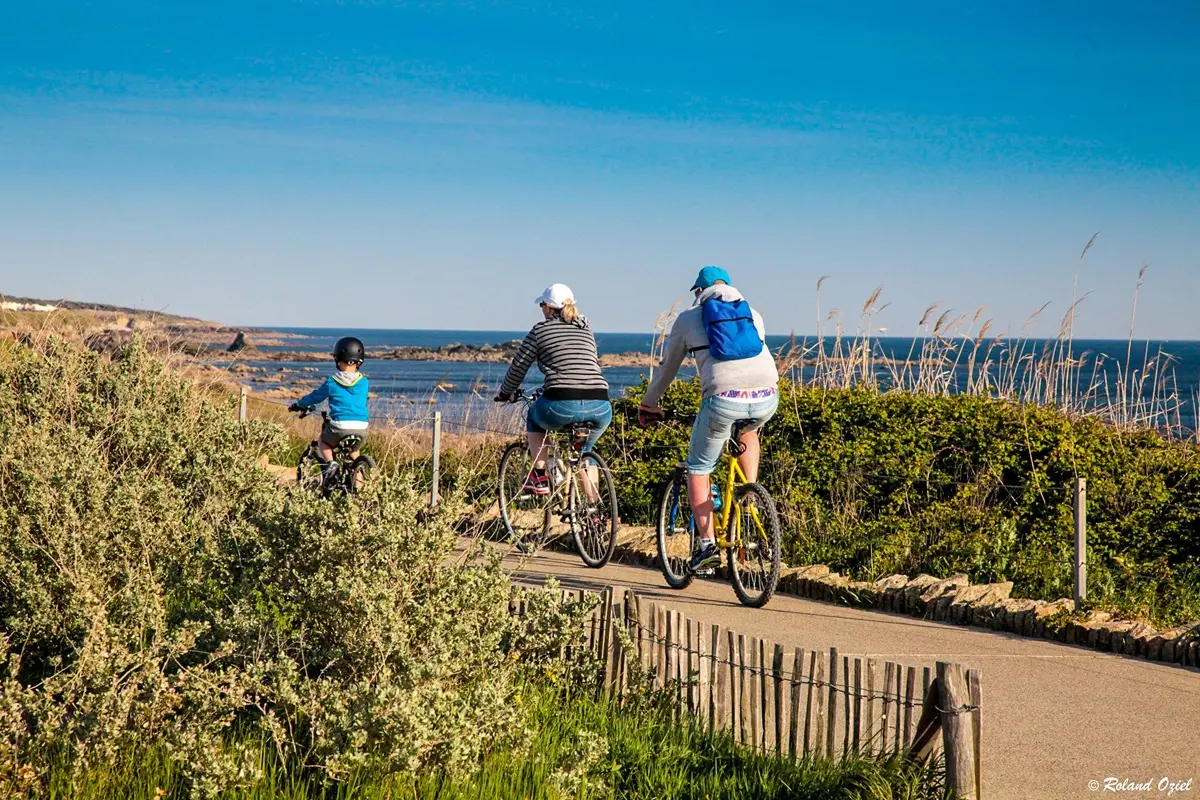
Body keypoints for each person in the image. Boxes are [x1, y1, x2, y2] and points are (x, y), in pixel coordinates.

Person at [637, 266, 779, 572]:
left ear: (698, 291)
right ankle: (749, 493)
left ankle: (707, 545)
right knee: (748, 429)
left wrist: (648, 404)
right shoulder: (752, 313)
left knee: (698, 468)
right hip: (767, 395)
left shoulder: (689, 318)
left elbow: (667, 369)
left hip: (722, 399)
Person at [495, 283, 612, 495]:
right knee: (585, 453)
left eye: (542, 304)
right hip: (601, 404)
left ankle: (539, 477)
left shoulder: (540, 330)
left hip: (562, 403)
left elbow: (519, 365)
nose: (541, 309)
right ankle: (594, 515)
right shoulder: (585, 326)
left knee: (533, 415)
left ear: (548, 307)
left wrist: (505, 393)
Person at [290, 336, 370, 476]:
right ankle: (360, 483)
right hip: (361, 427)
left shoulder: (332, 382)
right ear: (359, 362)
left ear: (337, 359)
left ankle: (331, 463)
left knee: (323, 442)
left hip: (339, 427)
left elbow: (315, 397)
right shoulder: (364, 382)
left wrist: (299, 404)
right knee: (354, 452)